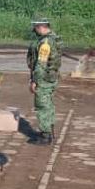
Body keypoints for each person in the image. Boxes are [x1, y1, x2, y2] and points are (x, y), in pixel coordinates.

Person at [27, 17, 62, 145]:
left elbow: (41, 64)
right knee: (49, 105)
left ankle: (45, 135)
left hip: (44, 79)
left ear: (41, 27)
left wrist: (34, 81)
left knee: (42, 106)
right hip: (51, 77)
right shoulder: (54, 38)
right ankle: (49, 131)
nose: (34, 30)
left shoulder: (45, 43)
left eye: (35, 28)